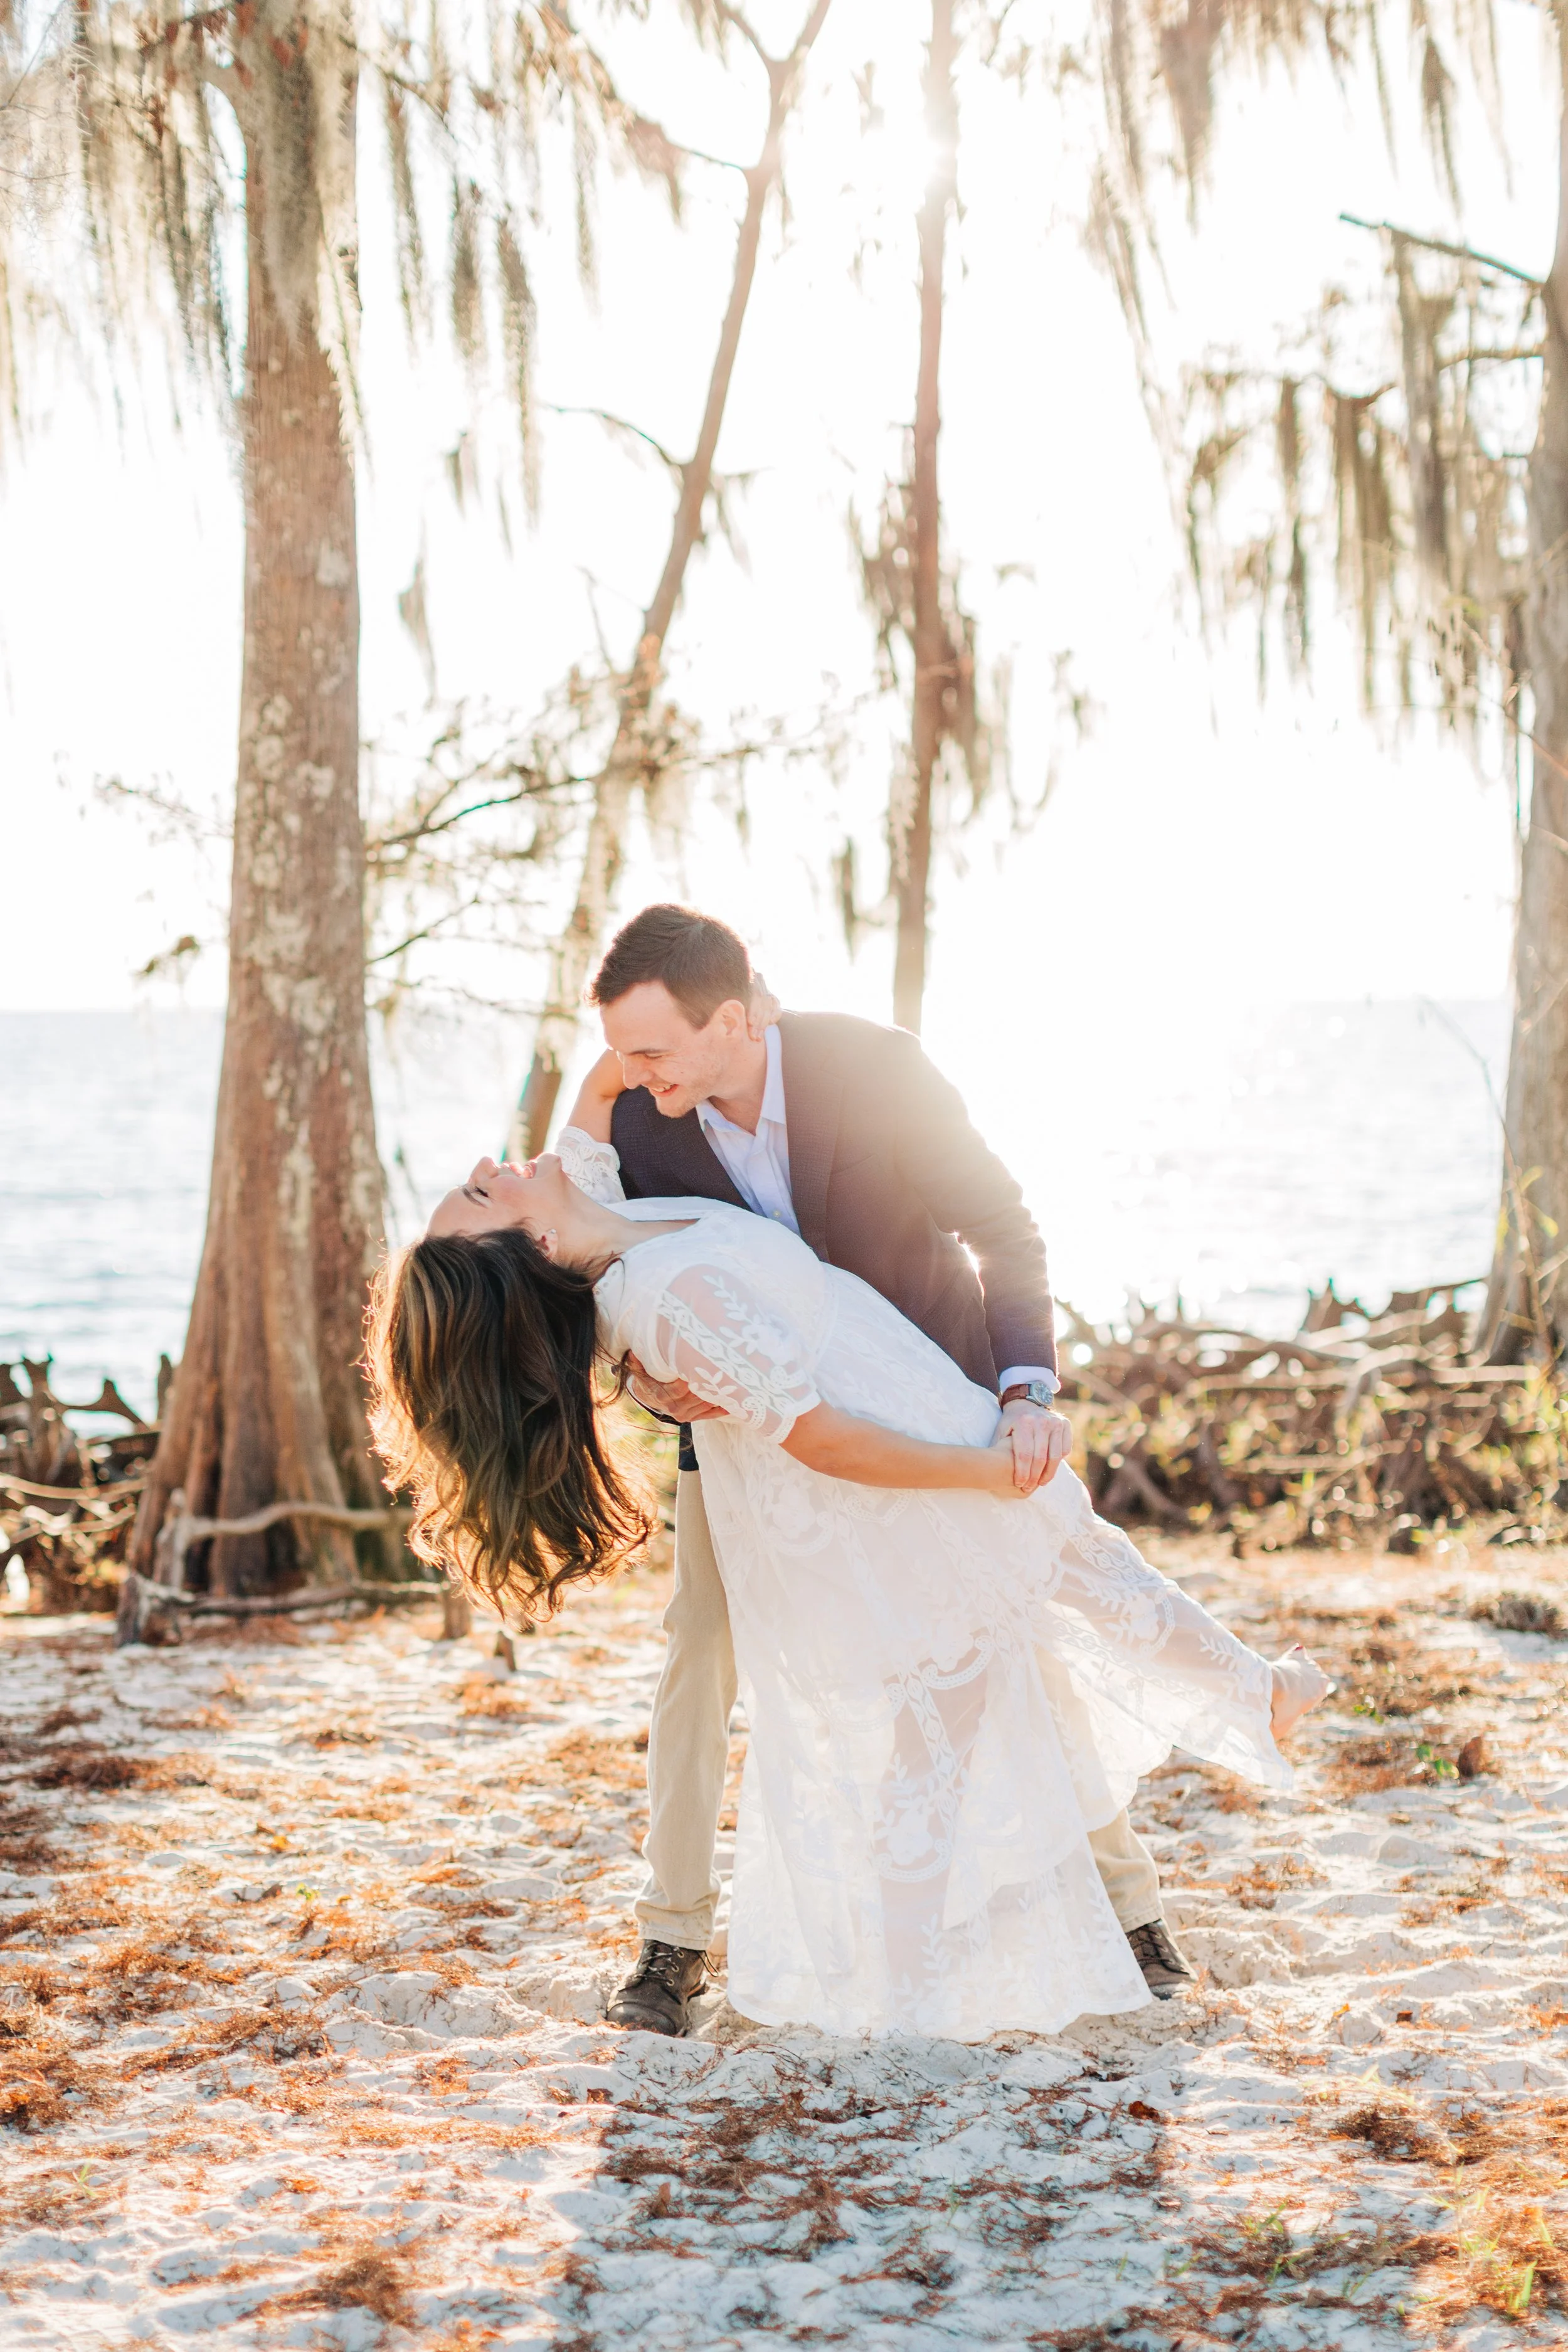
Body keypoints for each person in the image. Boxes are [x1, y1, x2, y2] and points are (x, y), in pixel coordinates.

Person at [366, 1083, 1330, 2045]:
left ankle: (920, 1968)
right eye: (482, 1193)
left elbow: (618, 1052)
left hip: (917, 1414)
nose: (494, 1164)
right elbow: (821, 1441)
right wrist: (980, 1469)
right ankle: (1252, 1699)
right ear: (533, 1249)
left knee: (1008, 1644)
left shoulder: (591, 1194)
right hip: (899, 1470)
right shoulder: (654, 1296)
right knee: (1036, 1604)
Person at [584, 905, 1202, 2031]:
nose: (625, 1073)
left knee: (1012, 1625)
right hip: (745, 1436)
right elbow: (603, 1276)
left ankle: (1128, 1908)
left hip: (929, 1399)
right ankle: (669, 1943)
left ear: (729, 1021)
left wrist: (1024, 1392)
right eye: (622, 1050)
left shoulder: (876, 1068)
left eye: (650, 1048)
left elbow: (1002, 1226)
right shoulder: (636, 1113)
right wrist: (644, 1381)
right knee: (701, 1645)